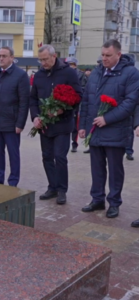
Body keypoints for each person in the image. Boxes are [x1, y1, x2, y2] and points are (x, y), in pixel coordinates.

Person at [79, 39, 139, 219]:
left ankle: (114, 203)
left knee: (115, 170)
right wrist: (82, 126)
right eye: (102, 55)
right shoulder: (96, 72)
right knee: (96, 168)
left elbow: (130, 103)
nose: (104, 59)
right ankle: (97, 199)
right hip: (95, 130)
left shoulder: (131, 74)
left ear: (118, 55)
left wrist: (107, 118)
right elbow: (87, 100)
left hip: (116, 130)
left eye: (108, 56)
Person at [30, 45, 82, 205]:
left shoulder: (68, 73)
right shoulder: (38, 75)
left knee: (60, 157)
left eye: (45, 59)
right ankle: (52, 187)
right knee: (47, 157)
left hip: (63, 124)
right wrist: (35, 117)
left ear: (54, 56)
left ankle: (61, 190)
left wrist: (62, 110)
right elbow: (33, 99)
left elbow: (78, 96)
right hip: (45, 124)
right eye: (40, 60)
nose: (43, 63)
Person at [0, 47, 30, 187]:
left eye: (4, 56)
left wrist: (20, 124)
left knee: (13, 154)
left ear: (12, 58)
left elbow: (24, 102)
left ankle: (13, 181)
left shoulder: (20, 75)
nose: (1, 58)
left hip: (12, 122)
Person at [66, 57, 87, 153]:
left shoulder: (81, 75)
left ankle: (74, 143)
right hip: (65, 102)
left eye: (72, 64)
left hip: (76, 102)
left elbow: (83, 88)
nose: (71, 66)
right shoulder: (64, 73)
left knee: (75, 125)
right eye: (69, 64)